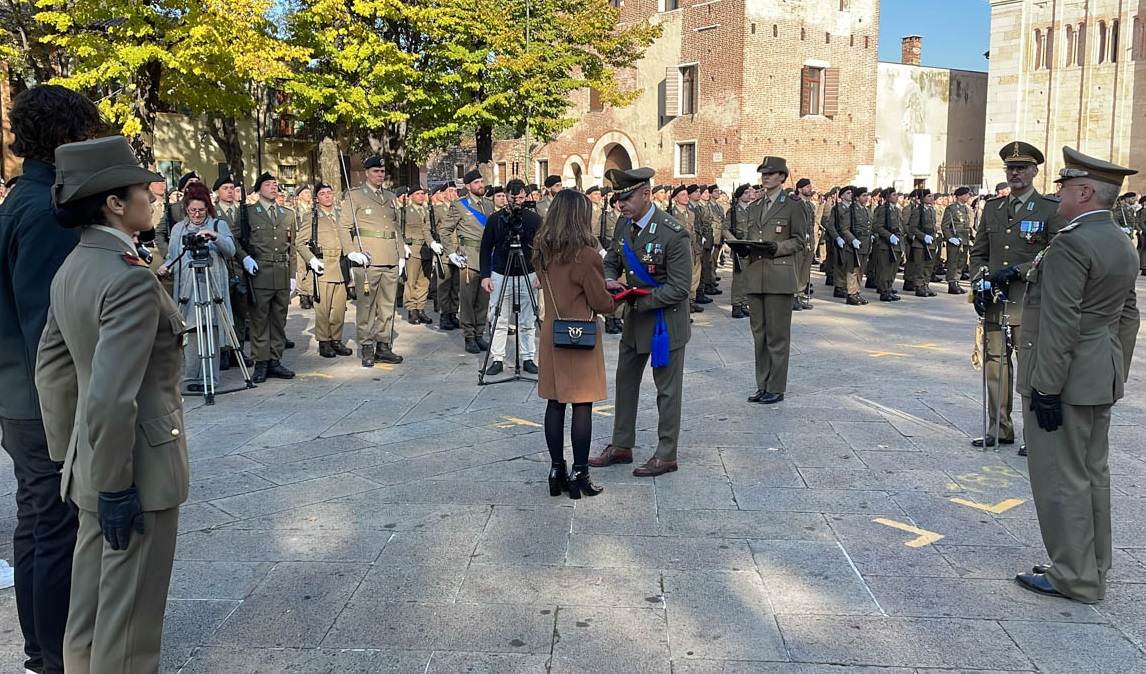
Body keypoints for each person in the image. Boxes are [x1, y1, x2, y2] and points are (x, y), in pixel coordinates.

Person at [35, 135, 189, 674]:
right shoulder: (128, 279)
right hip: (135, 471)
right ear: (114, 204)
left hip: (91, 464)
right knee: (128, 630)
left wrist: (70, 457)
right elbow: (110, 394)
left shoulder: (75, 265)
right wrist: (118, 486)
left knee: (90, 615)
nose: (153, 195)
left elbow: (52, 373)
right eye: (142, 189)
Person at [0, 84, 101, 674]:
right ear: (68, 135)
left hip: (19, 393)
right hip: (40, 399)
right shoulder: (46, 210)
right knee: (55, 524)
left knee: (37, 518)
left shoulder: (26, 198)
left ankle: (43, 646)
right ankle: (57, 653)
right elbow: (51, 326)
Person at [1013, 146, 1139, 604]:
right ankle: (1092, 564)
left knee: (1060, 477)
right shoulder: (1119, 240)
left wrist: (1046, 387)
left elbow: (1059, 322)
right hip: (1096, 375)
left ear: (1085, 192)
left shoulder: (1072, 242)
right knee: (1091, 474)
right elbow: (1128, 315)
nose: (1058, 193)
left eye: (1065, 186)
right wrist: (1110, 366)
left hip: (1062, 379)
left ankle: (1073, 575)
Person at [591, 167, 692, 477]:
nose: (621, 204)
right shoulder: (624, 225)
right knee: (625, 382)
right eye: (618, 198)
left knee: (667, 390)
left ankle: (666, 454)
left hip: (664, 322)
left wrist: (639, 300)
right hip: (635, 321)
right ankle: (622, 445)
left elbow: (680, 286)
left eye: (627, 198)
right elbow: (611, 260)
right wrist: (609, 279)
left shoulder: (672, 232)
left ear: (646, 194)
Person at [969, 141, 1066, 453]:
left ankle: (1033, 435)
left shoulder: (1050, 209)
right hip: (997, 302)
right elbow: (979, 252)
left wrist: (1019, 271)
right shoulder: (993, 208)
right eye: (1011, 168)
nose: (1015, 173)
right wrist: (981, 280)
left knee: (1030, 370)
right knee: (995, 366)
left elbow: (1055, 253)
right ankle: (999, 428)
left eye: (1022, 168)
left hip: (1030, 303)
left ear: (1034, 171)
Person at [535, 190, 617, 498]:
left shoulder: (542, 250)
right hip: (579, 334)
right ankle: (580, 473)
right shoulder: (587, 255)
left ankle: (556, 469)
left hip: (551, 332)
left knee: (554, 404)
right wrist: (614, 295)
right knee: (582, 404)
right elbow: (600, 302)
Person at [729, 156, 808, 404]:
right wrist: (742, 247)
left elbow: (799, 241)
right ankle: (762, 384)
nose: (765, 177)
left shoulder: (793, 205)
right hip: (756, 275)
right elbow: (751, 237)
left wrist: (777, 247)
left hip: (779, 276)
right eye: (763, 173)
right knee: (759, 335)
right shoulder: (754, 207)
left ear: (782, 177)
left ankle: (776, 386)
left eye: (771, 173)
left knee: (777, 336)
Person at [158, 184, 237, 393]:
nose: (196, 214)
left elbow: (231, 251)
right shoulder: (178, 229)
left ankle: (210, 378)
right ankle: (192, 377)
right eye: (192, 210)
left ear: (208, 208)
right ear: (186, 209)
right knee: (191, 330)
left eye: (201, 210)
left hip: (212, 286)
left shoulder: (218, 224)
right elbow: (174, 255)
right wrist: (166, 266)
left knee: (210, 327)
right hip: (188, 287)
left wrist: (214, 236)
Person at [343, 156, 408, 367]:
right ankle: (367, 346)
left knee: (387, 306)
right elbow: (344, 227)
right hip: (368, 259)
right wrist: (351, 252)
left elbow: (395, 227)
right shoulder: (355, 196)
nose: (380, 175)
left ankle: (383, 345)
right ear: (366, 173)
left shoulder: (389, 196)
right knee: (367, 306)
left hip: (389, 257)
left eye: (382, 171)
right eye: (376, 171)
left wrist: (400, 255)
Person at [241, 171, 301, 382]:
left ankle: (275, 360)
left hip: (282, 273)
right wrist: (245, 259)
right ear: (258, 189)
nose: (273, 187)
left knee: (278, 320)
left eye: (275, 184)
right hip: (260, 272)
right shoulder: (249, 212)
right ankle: (261, 362)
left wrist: (293, 275)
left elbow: (292, 248)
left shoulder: (288, 214)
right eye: (268, 184)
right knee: (259, 320)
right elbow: (239, 241)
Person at [479, 179, 541, 375]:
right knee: (498, 317)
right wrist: (485, 275)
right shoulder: (496, 219)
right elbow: (486, 248)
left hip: (527, 273)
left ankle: (528, 357)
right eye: (515, 197)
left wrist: (541, 273)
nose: (518, 201)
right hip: (500, 272)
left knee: (528, 318)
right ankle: (497, 358)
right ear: (506, 196)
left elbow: (542, 248)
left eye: (522, 197)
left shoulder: (533, 219)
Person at [443, 169, 494, 353]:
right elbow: (445, 231)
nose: (481, 185)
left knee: (483, 299)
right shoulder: (459, 205)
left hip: (487, 257)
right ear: (468, 186)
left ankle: (480, 333)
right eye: (476, 182)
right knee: (467, 299)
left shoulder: (489, 204)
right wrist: (451, 253)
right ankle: (469, 336)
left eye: (481, 181)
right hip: (469, 256)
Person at [306, 182, 353, 358]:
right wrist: (311, 260)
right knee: (323, 308)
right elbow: (300, 243)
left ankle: (336, 340)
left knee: (339, 308)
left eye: (329, 192)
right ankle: (324, 341)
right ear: (317, 198)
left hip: (341, 265)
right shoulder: (312, 217)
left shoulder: (342, 215)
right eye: (323, 193)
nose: (327, 196)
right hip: (323, 265)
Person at [402, 185, 442, 326]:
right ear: (411, 196)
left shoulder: (428, 210)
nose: (421, 196)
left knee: (424, 282)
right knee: (411, 281)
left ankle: (420, 308)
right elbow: (400, 229)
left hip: (426, 249)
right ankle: (412, 309)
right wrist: (403, 245)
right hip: (413, 249)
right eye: (417, 194)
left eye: (422, 193)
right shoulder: (405, 211)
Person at [723, 184, 755, 318]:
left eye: (749, 192)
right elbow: (725, 229)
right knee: (739, 278)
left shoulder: (753, 210)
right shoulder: (733, 211)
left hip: (752, 247)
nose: (749, 194)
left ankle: (744, 303)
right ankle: (736, 305)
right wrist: (735, 243)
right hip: (739, 248)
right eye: (746, 193)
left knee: (749, 277)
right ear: (740, 195)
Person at [871, 187, 904, 302]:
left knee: (893, 269)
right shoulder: (882, 210)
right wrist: (889, 235)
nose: (896, 197)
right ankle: (884, 291)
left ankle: (889, 288)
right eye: (894, 195)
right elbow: (877, 226)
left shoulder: (897, 210)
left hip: (897, 243)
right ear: (888, 197)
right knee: (885, 268)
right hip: (885, 243)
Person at [942, 186, 974, 294]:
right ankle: (952, 283)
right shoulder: (951, 208)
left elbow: (968, 225)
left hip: (964, 238)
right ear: (960, 196)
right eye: (966, 194)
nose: (968, 196)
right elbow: (945, 225)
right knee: (953, 261)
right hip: (955, 238)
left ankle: (957, 281)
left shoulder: (966, 208)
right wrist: (950, 237)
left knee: (962, 261)